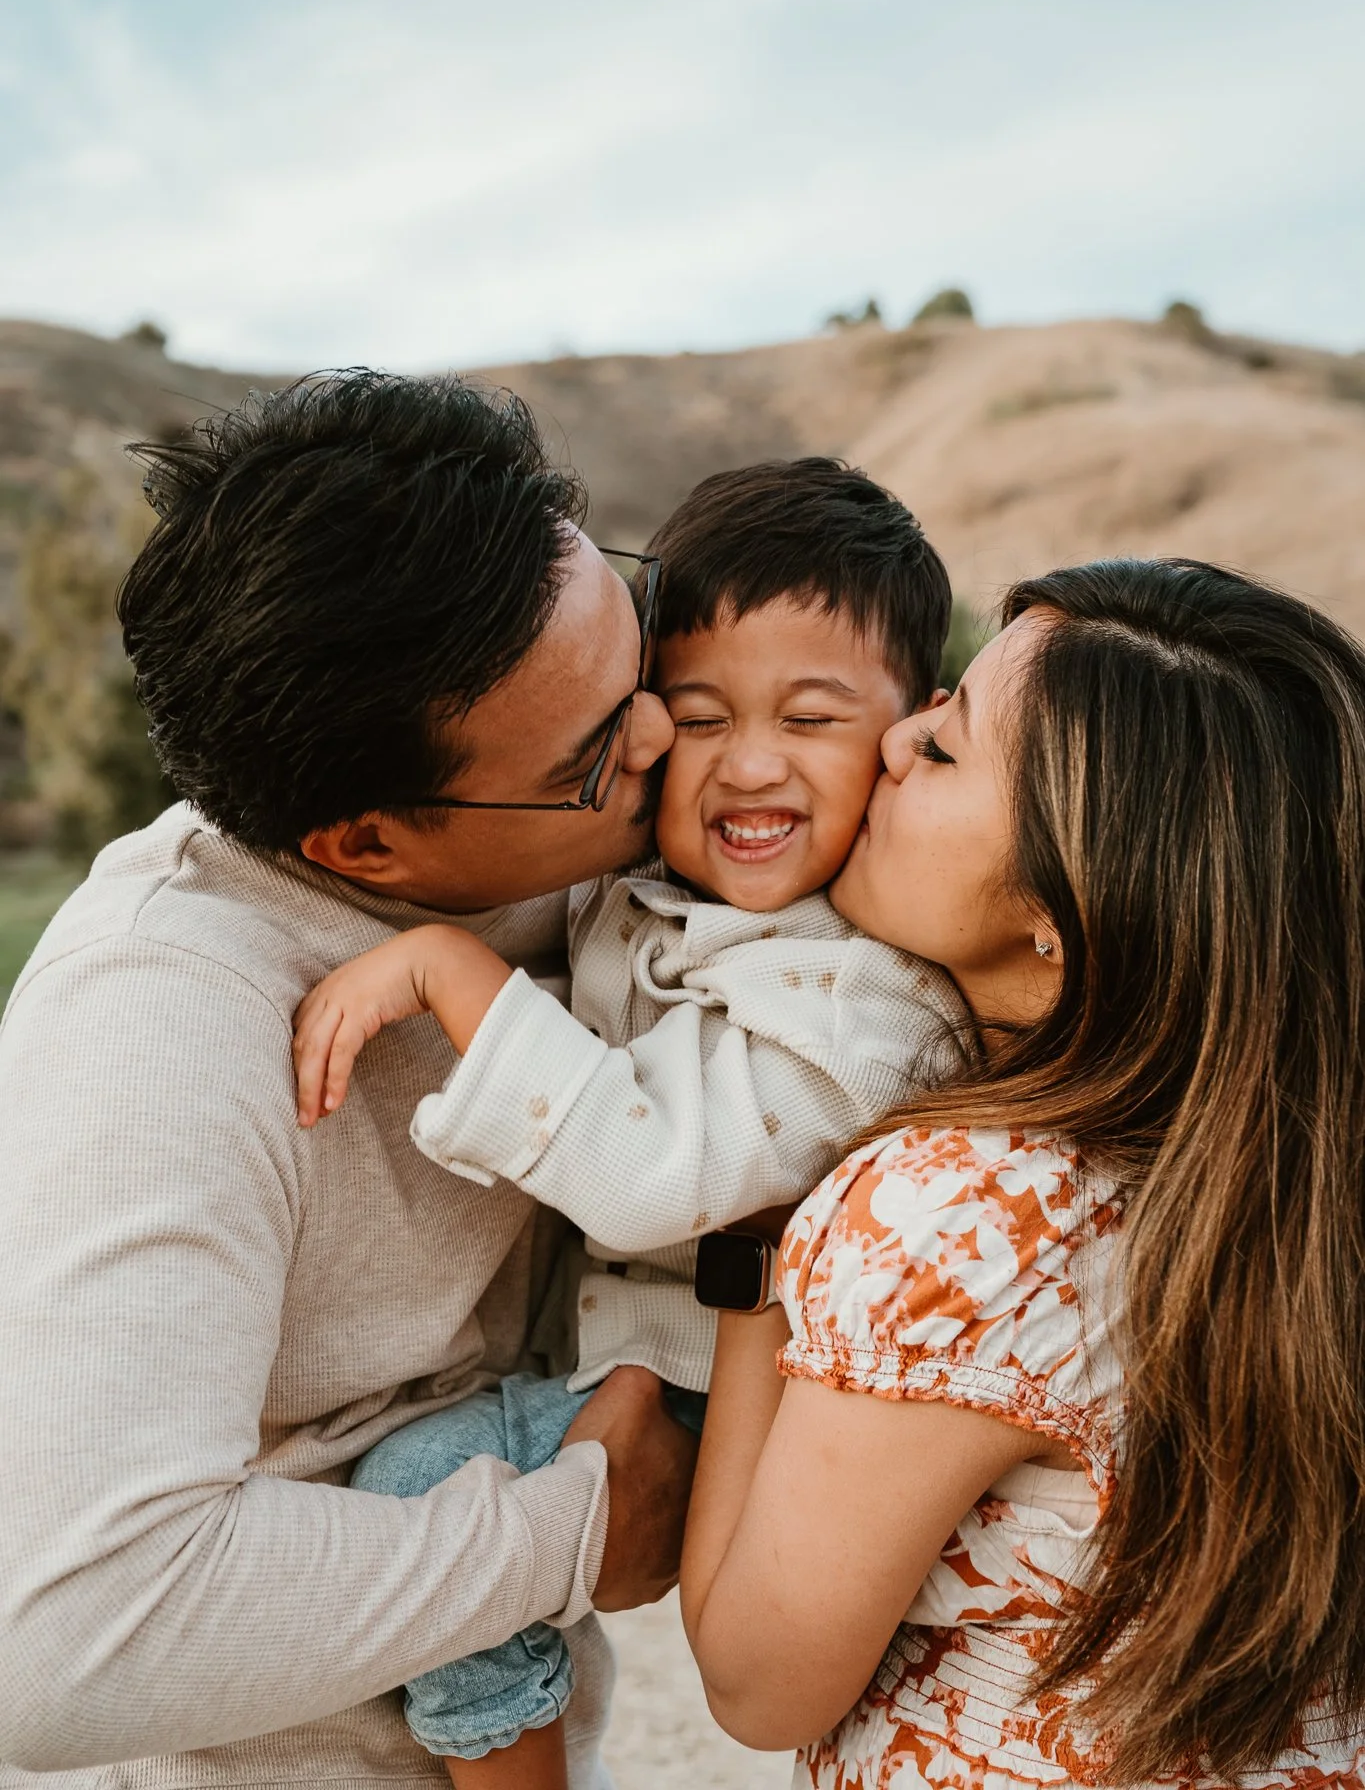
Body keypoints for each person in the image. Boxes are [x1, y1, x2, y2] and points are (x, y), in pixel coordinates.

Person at [0, 372, 695, 1790]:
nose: (666, 742)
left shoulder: (587, 857)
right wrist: (567, 1530)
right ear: (364, 849)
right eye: (589, 758)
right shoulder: (158, 1017)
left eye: (643, 657)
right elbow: (60, 1638)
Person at [288, 457, 968, 1790]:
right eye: (699, 714)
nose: (749, 763)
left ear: (902, 735)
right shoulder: (653, 891)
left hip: (749, 1416)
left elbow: (660, 1179)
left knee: (427, 1484)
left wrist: (446, 970)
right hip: (636, 1355)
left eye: (811, 717)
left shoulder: (867, 992)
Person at [680, 557, 1365, 1787]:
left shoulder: (967, 1211)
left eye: (943, 750)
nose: (892, 742)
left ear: (1064, 902)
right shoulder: (1296, 1181)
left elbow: (754, 1677)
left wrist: (754, 1235)